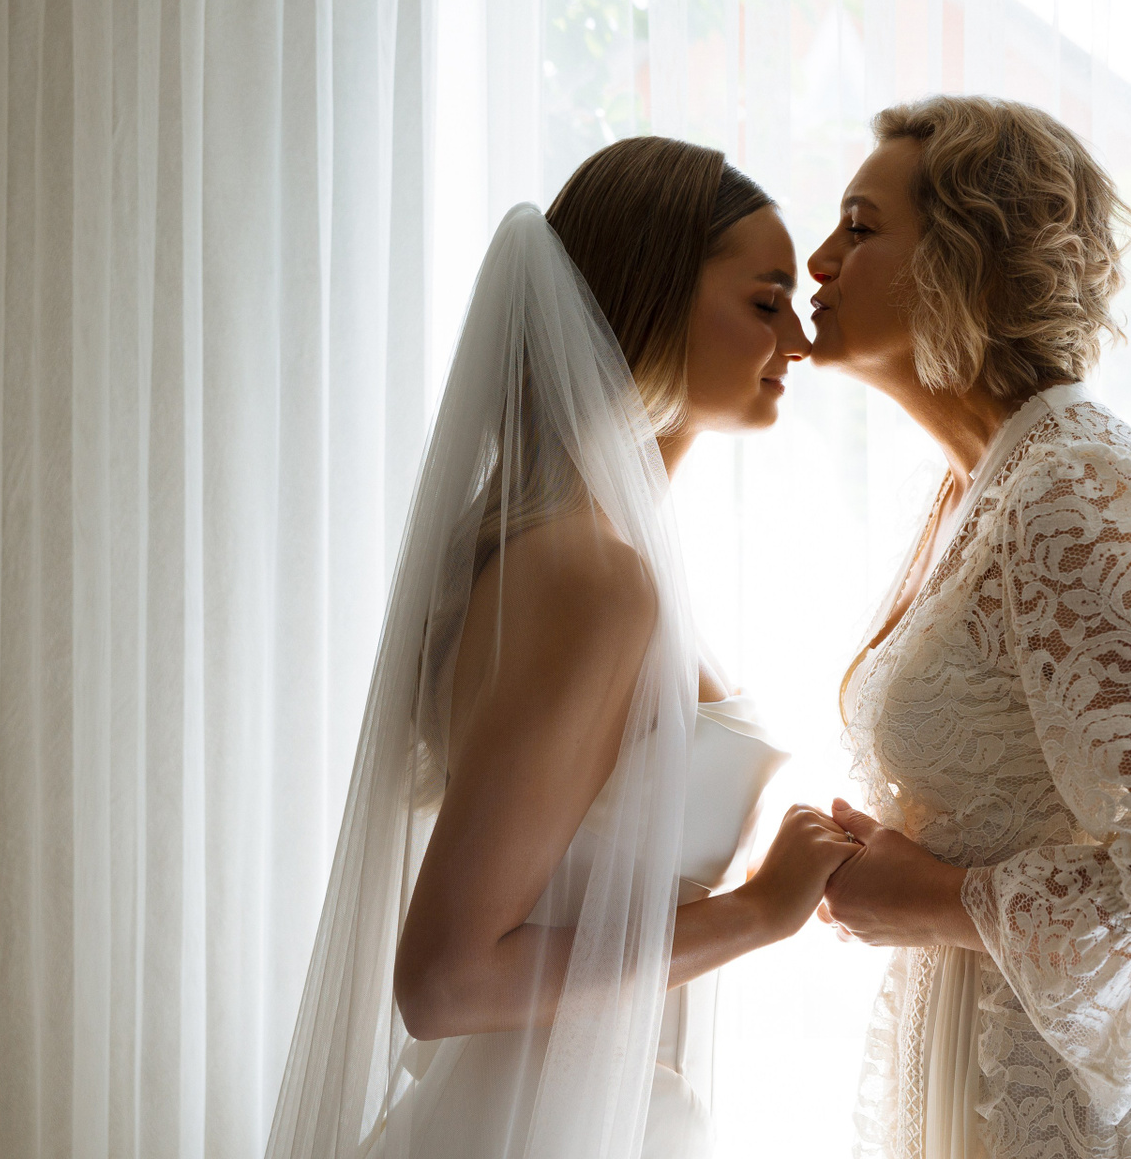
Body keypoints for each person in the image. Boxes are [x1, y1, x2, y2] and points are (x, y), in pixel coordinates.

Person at [266, 137, 857, 1159]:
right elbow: (444, 981)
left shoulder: (579, 550)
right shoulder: (591, 577)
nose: (799, 341)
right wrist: (759, 911)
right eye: (766, 302)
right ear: (648, 303)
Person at [805, 96, 1131, 1159]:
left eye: (859, 228)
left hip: (1104, 1118)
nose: (818, 261)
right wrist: (907, 860)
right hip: (994, 1068)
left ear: (966, 259)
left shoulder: (1072, 488)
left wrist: (942, 899)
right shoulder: (971, 489)